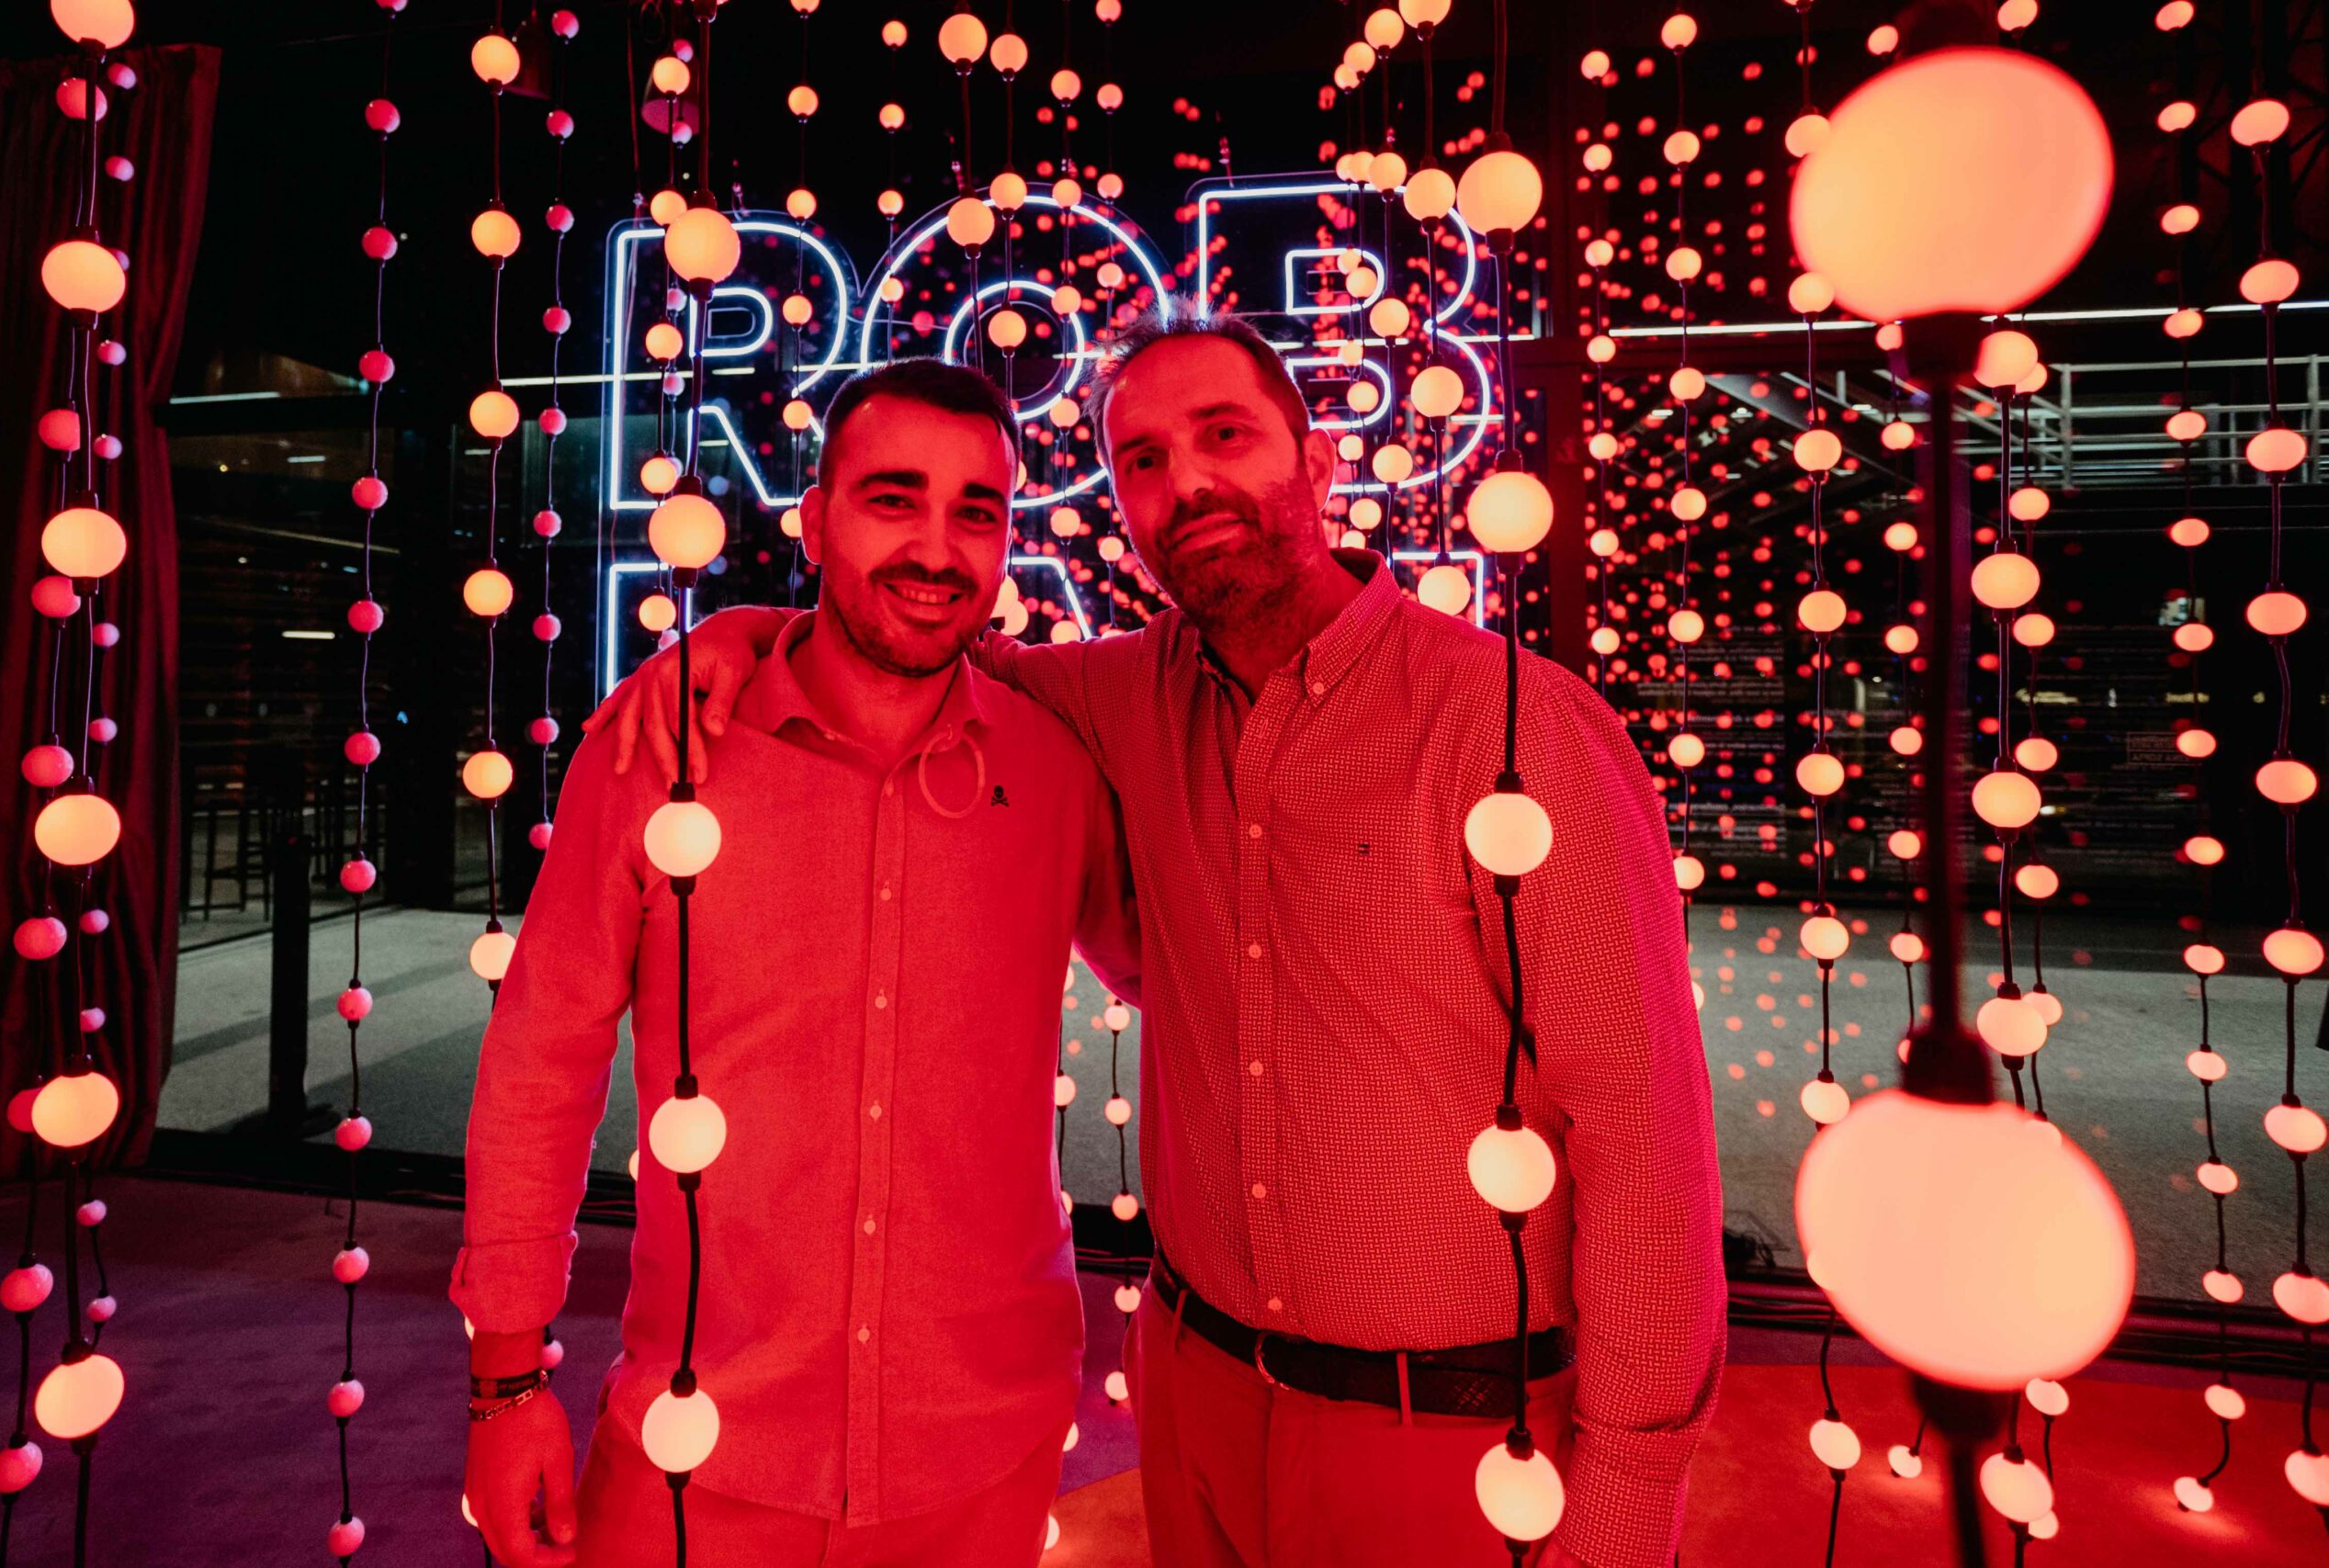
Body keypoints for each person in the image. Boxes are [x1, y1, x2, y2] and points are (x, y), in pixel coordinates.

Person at [592, 313, 1724, 1568]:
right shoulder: (1118, 698)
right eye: (1142, 460)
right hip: (1198, 1408)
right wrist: (746, 634)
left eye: (1224, 436)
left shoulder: (1515, 730)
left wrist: (1627, 1505)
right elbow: (916, 640)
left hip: (1458, 1437)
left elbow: (1644, 1134)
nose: (1186, 483)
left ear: (1318, 461)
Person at [454, 357, 1138, 1568]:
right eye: (893, 500)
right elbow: (540, 1061)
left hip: (985, 1449)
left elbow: (1191, 978)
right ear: (814, 522)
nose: (936, 550)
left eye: (976, 512)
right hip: (700, 1443)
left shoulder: (1056, 772)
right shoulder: (662, 758)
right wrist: (507, 1385)